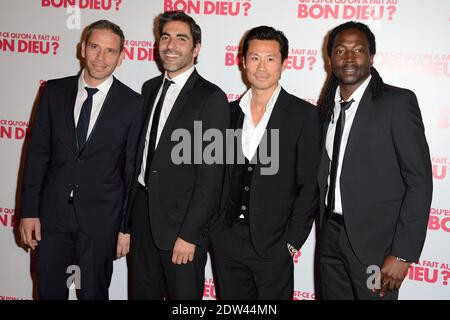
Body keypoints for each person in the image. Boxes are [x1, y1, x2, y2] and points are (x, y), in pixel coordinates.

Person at [19, 20, 143, 299]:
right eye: (95, 47)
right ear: (82, 48)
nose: (101, 58)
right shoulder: (53, 91)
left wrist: (126, 228)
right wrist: (29, 211)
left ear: (121, 57)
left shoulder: (133, 104)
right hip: (52, 218)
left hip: (102, 221)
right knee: (50, 292)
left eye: (110, 51)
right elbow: (37, 155)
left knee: (93, 294)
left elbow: (131, 170)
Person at [317, 21, 433, 300]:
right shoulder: (325, 108)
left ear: (371, 57)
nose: (348, 58)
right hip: (329, 240)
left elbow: (419, 182)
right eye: (340, 50)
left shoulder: (397, 103)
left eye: (358, 50)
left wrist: (402, 254)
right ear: (329, 58)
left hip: (374, 250)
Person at [210, 26, 322, 300]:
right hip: (226, 240)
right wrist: (215, 231)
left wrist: (293, 241)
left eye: (270, 58)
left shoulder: (304, 115)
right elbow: (215, 176)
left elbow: (310, 184)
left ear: (284, 63)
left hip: (274, 244)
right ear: (243, 61)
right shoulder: (227, 113)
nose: (262, 66)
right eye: (255, 57)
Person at [126, 11, 229, 300]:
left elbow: (211, 177)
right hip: (143, 218)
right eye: (165, 37)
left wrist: (190, 234)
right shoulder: (148, 89)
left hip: (182, 227)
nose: (171, 45)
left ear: (196, 48)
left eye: (181, 38)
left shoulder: (211, 98)